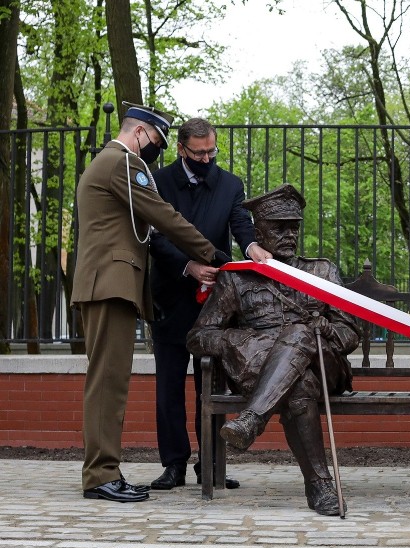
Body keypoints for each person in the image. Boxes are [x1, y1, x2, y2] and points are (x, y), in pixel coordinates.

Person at [71, 102, 230, 503]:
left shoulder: (107, 164)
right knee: (108, 384)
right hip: (111, 284)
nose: (155, 148)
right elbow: (165, 217)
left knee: (107, 381)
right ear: (140, 132)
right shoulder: (124, 164)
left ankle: (104, 471)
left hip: (106, 284)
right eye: (157, 140)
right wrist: (216, 257)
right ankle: (100, 475)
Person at [186, 183, 360, 516]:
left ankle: (251, 419)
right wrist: (241, 342)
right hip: (274, 373)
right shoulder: (237, 279)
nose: (288, 234)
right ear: (257, 231)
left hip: (326, 367)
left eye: (293, 227)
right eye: (278, 228)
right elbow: (198, 336)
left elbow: (351, 332)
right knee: (298, 389)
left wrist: (327, 330)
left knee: (299, 334)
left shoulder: (321, 272)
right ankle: (320, 487)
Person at [148, 118, 273, 491]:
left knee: (214, 386)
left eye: (211, 151)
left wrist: (253, 249)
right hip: (171, 295)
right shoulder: (158, 181)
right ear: (181, 149)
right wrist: (189, 266)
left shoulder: (231, 184)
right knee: (169, 385)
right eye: (198, 152)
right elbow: (154, 237)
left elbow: (241, 227)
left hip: (215, 304)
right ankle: (173, 465)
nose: (206, 158)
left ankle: (212, 463)